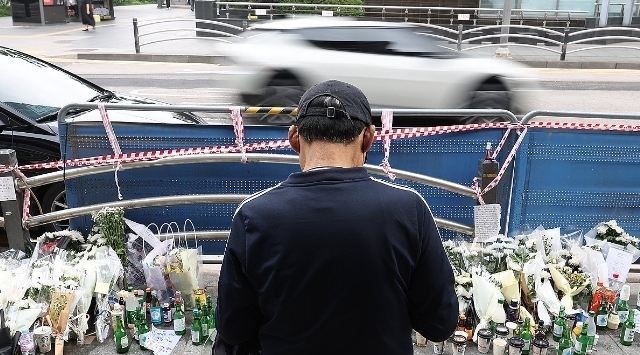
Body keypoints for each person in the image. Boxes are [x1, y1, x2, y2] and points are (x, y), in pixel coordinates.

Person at [214, 80, 458, 355]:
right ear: (368, 137)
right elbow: (440, 324)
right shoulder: (410, 209)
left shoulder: (253, 216)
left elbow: (233, 328)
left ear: (294, 137)